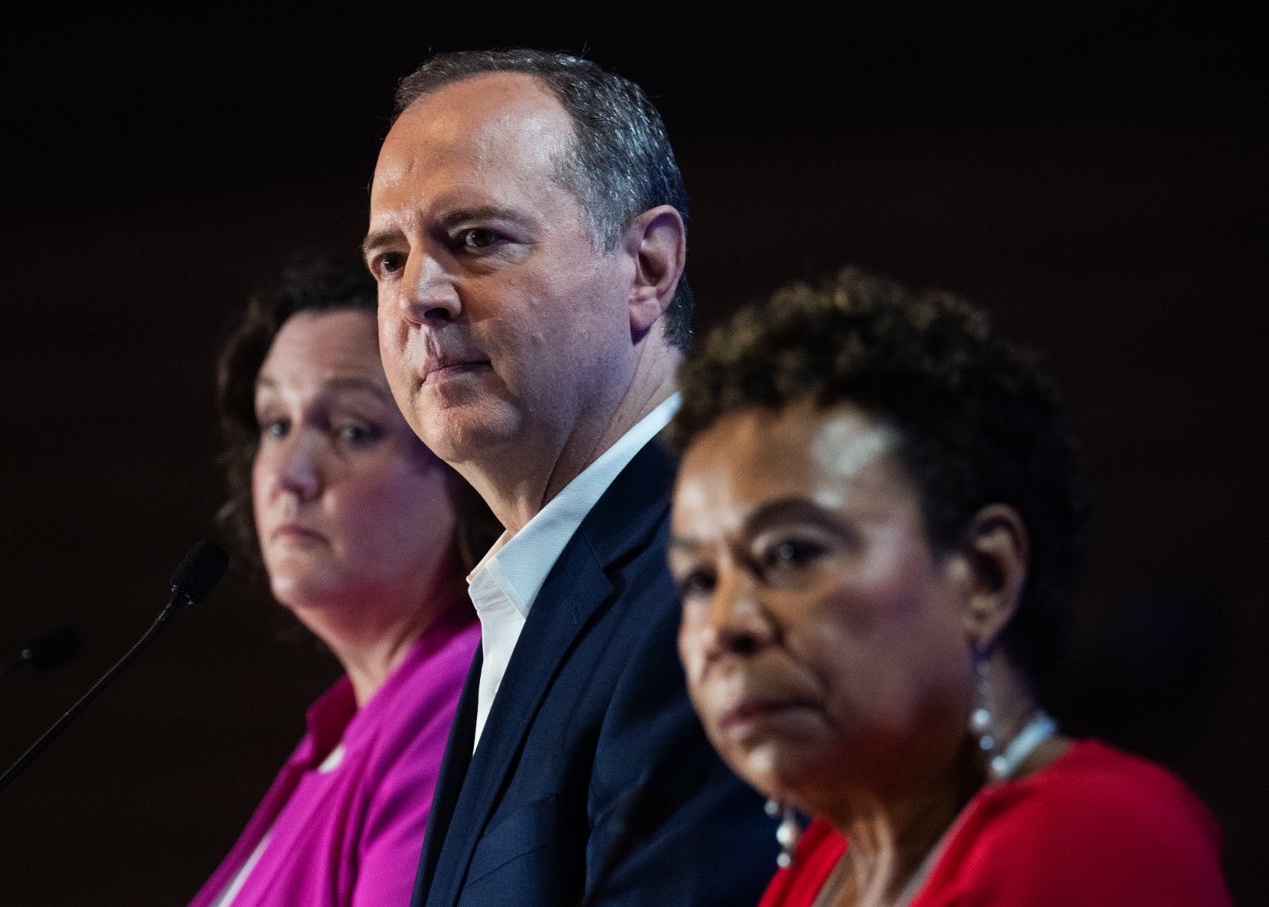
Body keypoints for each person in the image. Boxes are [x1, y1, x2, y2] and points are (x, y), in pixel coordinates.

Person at [668, 269, 1233, 905]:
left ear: (985, 578)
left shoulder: (1095, 837)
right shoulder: (818, 871)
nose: (723, 626)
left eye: (792, 552)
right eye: (699, 578)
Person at [363, 49, 775, 905]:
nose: (418, 298)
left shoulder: (709, 577)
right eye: (389, 260)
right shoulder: (540, 587)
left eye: (475, 239)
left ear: (647, 268)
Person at [189, 254, 498, 907]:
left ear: (457, 467)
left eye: (352, 430)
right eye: (276, 423)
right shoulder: (343, 725)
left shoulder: (453, 699)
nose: (289, 473)